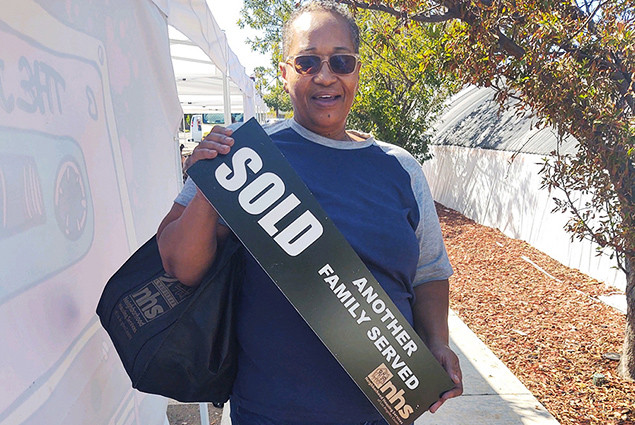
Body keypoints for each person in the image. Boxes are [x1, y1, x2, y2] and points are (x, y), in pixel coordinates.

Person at [157, 2, 462, 424]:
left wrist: (438, 343)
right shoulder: (244, 157)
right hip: (272, 411)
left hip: (383, 411)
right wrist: (213, 187)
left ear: (356, 71)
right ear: (284, 72)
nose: (325, 76)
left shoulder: (401, 168)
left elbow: (429, 272)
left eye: (341, 61)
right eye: (307, 61)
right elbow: (179, 266)